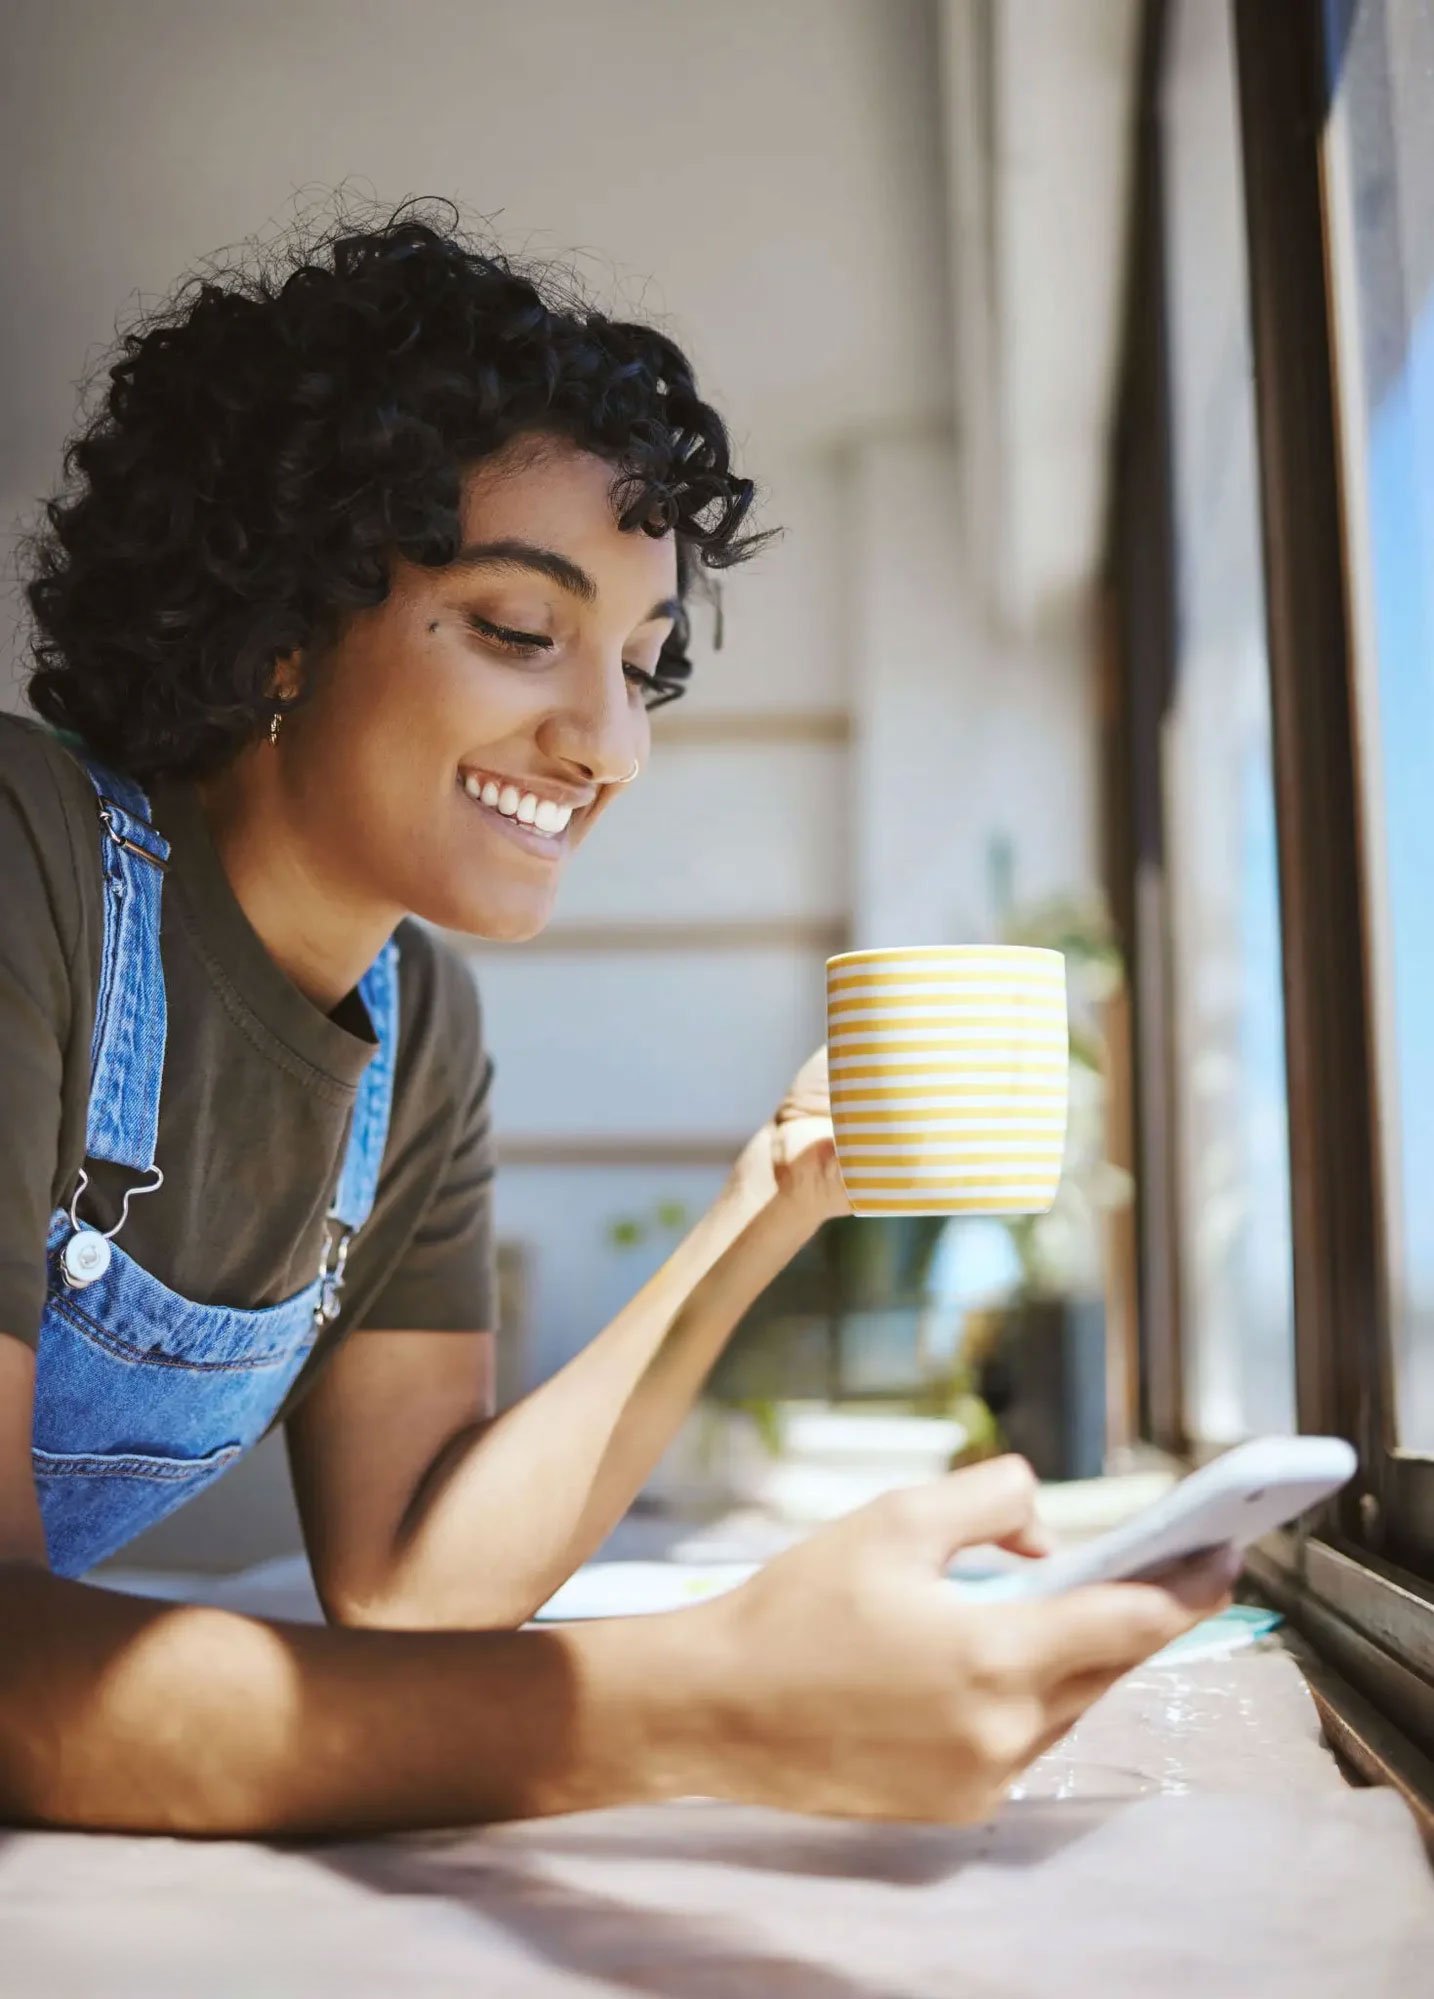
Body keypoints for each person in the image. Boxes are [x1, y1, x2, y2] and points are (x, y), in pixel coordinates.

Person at [0, 206, 1233, 1839]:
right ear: (278, 622)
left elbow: (412, 1586)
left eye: (642, 666)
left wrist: (768, 1197)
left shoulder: (415, 1028)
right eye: (520, 631)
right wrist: (703, 1705)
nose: (609, 745)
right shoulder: (32, 863)